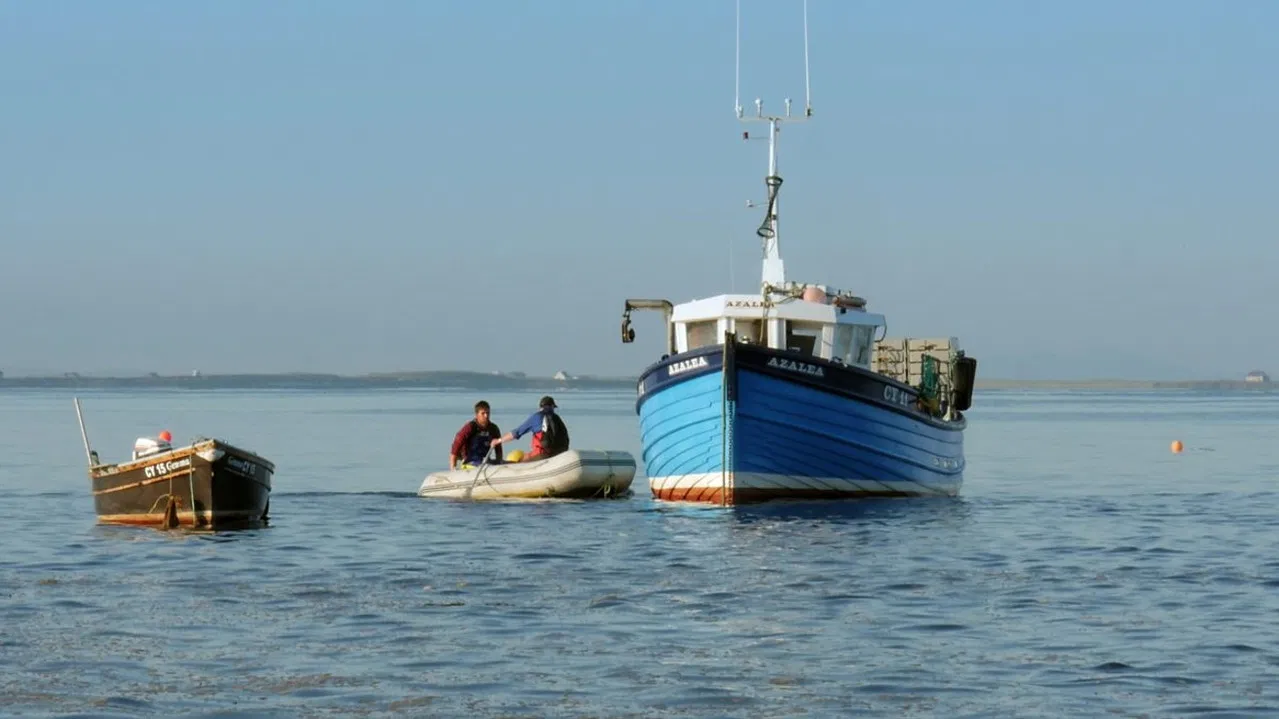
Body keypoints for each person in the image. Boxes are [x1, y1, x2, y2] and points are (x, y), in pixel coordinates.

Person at [489, 395, 569, 462]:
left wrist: (498, 441)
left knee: (521, 460)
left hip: (542, 454)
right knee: (528, 455)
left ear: (541, 407)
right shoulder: (557, 419)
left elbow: (516, 433)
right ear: (552, 407)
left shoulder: (537, 417)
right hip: (559, 455)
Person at [449, 400, 503, 471]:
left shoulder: (493, 428)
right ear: (477, 415)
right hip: (469, 462)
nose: (486, 416)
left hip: (485, 461)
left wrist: (499, 462)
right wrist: (452, 467)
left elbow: (498, 449)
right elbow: (456, 446)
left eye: (488, 413)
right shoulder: (470, 427)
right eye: (483, 413)